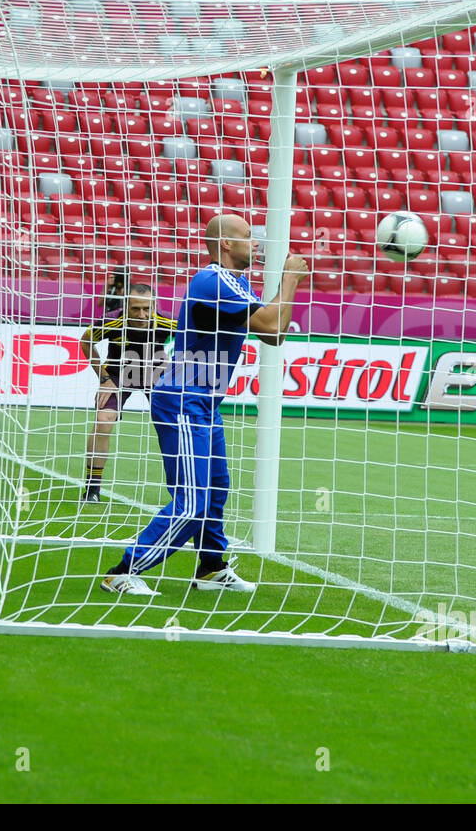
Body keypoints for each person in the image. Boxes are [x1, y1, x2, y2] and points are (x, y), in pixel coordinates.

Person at [99, 213, 309, 596]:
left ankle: (211, 567)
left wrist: (286, 284)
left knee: (215, 487)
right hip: (183, 398)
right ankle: (123, 571)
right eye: (248, 236)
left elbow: (273, 336)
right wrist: (290, 277)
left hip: (204, 400)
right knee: (192, 501)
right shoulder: (214, 280)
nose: (256, 242)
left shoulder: (235, 282)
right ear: (226, 243)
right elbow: (275, 328)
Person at [78, 282, 177, 503]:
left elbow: (191, 343)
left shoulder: (168, 322)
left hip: (155, 377)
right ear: (125, 306)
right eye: (135, 309)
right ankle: (93, 488)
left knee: (174, 426)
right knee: (103, 420)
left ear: (154, 305)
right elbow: (85, 342)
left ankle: (182, 490)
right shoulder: (111, 322)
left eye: (147, 308)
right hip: (117, 376)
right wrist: (103, 378)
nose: (142, 314)